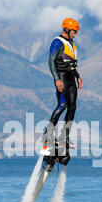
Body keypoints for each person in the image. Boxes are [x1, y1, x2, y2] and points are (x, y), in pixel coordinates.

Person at [41, 18, 84, 155]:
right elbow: (51, 62)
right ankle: (47, 136)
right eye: (74, 31)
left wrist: (78, 77)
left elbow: (71, 64)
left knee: (72, 107)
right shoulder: (57, 42)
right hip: (62, 78)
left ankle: (64, 137)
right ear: (67, 29)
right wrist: (57, 80)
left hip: (71, 79)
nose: (75, 34)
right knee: (62, 105)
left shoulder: (72, 44)